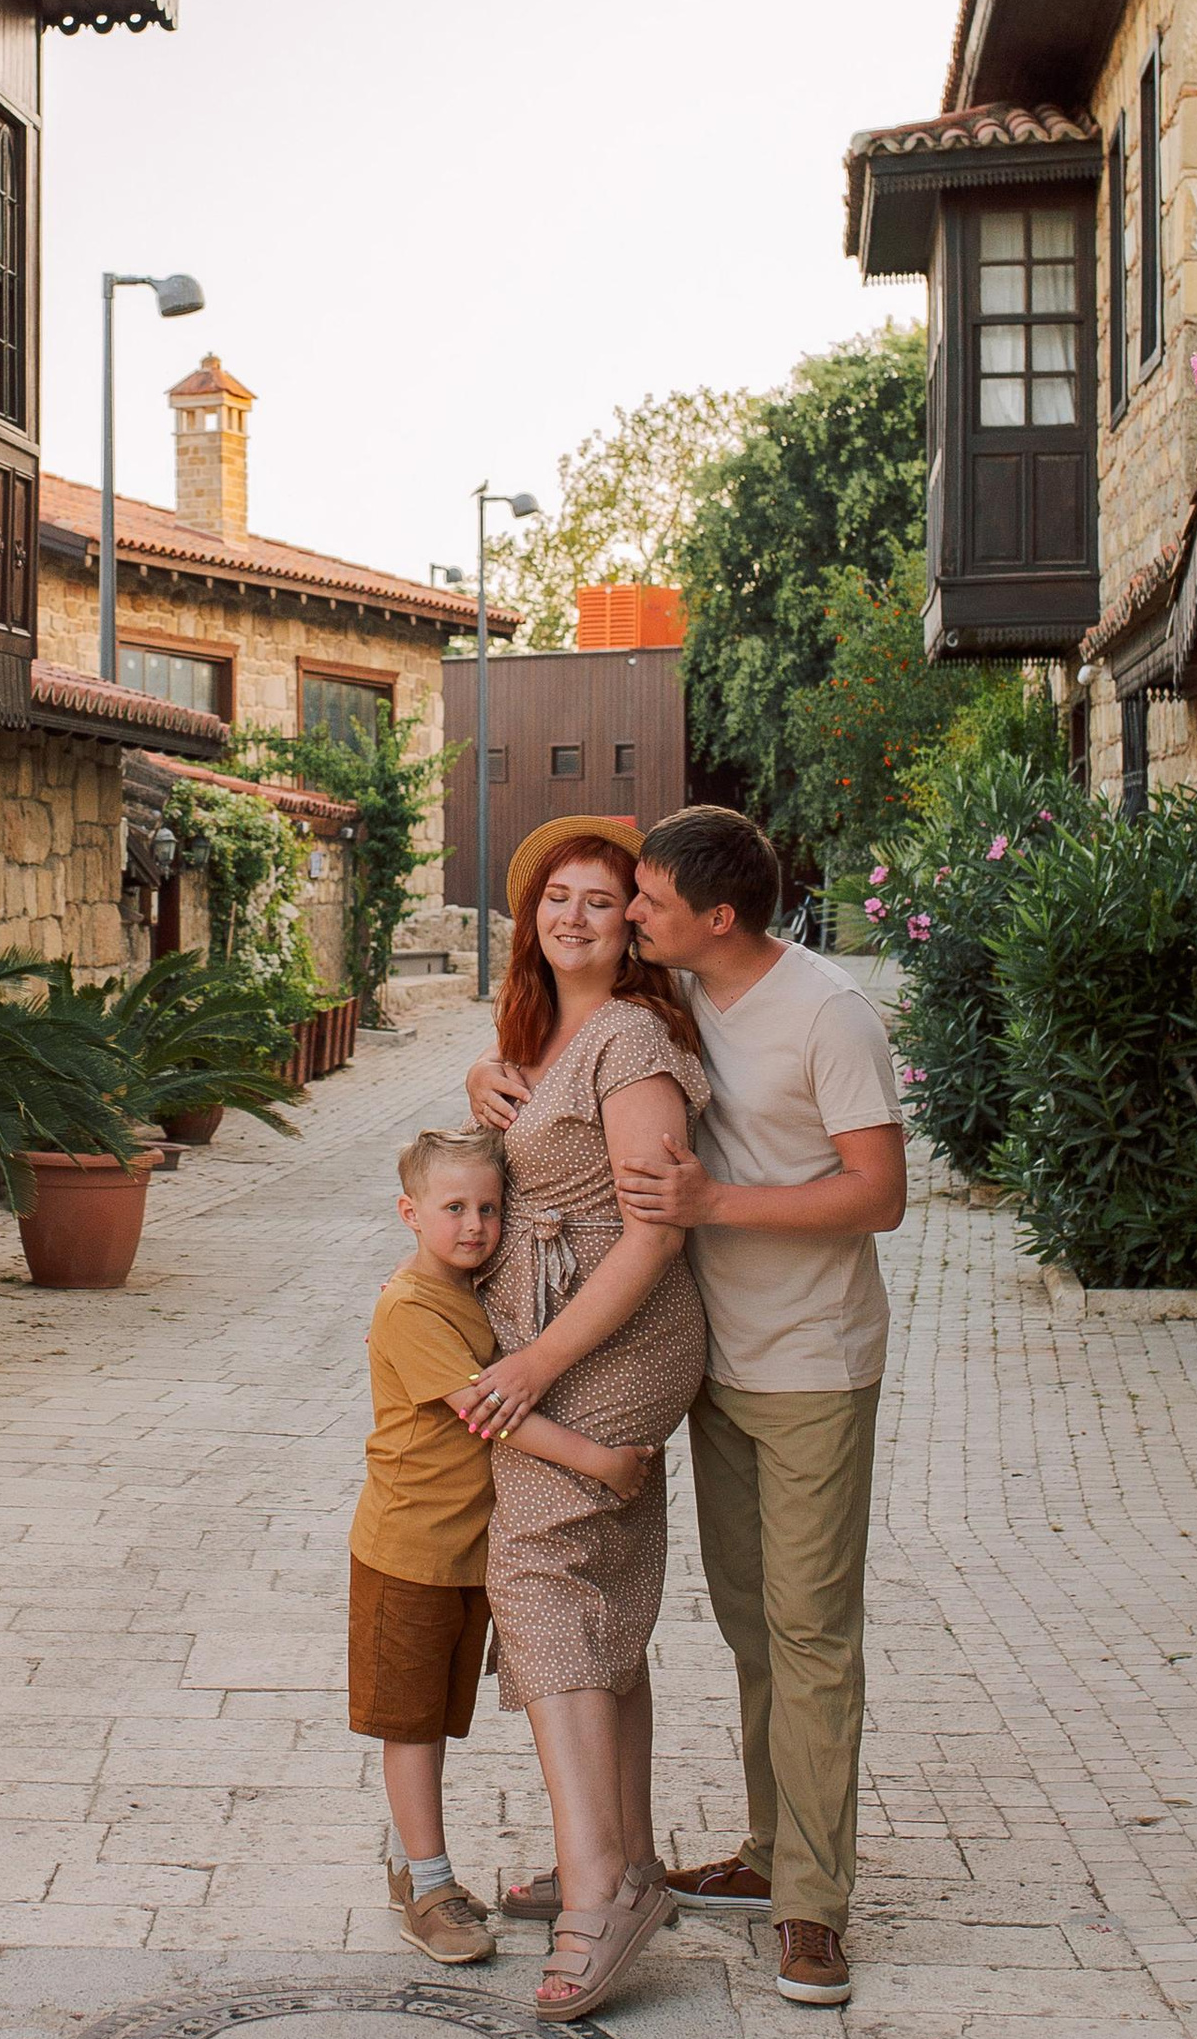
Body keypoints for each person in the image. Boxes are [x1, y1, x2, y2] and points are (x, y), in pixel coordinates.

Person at [468, 804, 906, 2011]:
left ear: (713, 918)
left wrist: (713, 1207)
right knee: (755, 1627)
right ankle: (769, 1851)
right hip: (714, 1361)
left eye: (643, 898)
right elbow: (587, 1054)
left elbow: (880, 1196)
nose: (626, 912)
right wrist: (489, 1072)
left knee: (811, 1633)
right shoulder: (686, 993)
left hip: (811, 1359)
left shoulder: (827, 1013)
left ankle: (811, 1907)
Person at [453, 820, 711, 2025]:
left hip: (618, 1332)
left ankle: (599, 1892)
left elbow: (655, 1230)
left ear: (631, 925)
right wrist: (479, 1089)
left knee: (538, 1567)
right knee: (597, 1584)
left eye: (601, 901)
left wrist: (536, 1362)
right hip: (556, 1330)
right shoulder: (545, 1032)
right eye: (556, 896)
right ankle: (627, 1847)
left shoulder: (632, 1038)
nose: (573, 916)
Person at [348, 1126, 659, 1969]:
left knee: (445, 1715)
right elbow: (491, 1409)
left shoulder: (472, 1287)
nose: (476, 1225)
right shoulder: (410, 1306)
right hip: (407, 1550)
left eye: (490, 1208)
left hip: (467, 1554)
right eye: (454, 1209)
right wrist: (599, 1461)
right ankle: (428, 1879)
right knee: (413, 1726)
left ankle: (434, 1865)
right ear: (410, 1214)